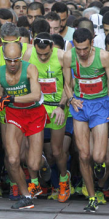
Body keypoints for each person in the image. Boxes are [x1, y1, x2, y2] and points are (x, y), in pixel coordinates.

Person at [64, 27, 109, 213]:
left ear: (92, 44)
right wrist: (71, 98)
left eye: (85, 49)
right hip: (80, 105)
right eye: (78, 49)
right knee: (84, 155)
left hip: (101, 105)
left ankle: (100, 165)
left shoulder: (104, 57)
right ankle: (92, 196)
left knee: (98, 156)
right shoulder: (68, 57)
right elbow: (67, 83)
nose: (81, 53)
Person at [0, 42, 47, 210]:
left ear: (21, 58)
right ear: (4, 59)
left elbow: (36, 95)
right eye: (9, 60)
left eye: (16, 60)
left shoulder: (30, 69)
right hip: (14, 115)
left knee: (34, 165)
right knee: (13, 159)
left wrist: (10, 99)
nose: (13, 64)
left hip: (34, 114)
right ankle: (26, 196)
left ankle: (44, 162)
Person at [29, 32, 71, 202]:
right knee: (33, 149)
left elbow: (69, 85)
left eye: (46, 53)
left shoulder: (62, 57)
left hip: (57, 107)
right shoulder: (28, 54)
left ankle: (63, 179)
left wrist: (61, 106)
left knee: (56, 150)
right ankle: (33, 183)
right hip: (36, 106)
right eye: (39, 54)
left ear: (52, 47)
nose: (42, 57)